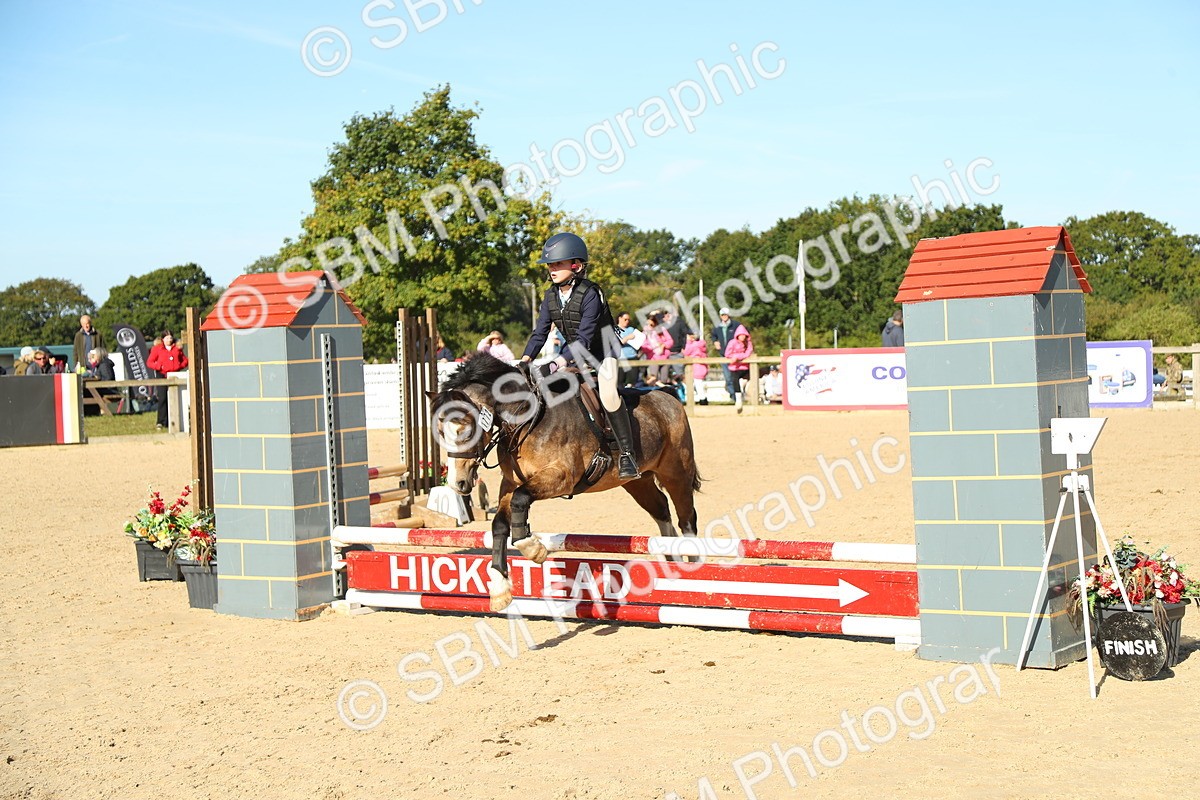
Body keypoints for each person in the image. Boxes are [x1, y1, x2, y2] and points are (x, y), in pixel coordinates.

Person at [520, 231, 640, 479]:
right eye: (550, 264)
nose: (552, 269)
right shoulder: (550, 296)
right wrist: (525, 360)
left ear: (576, 265)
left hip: (603, 352)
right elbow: (540, 332)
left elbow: (584, 339)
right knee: (553, 390)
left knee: (607, 393)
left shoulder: (591, 294)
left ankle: (628, 455)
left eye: (557, 263)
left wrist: (556, 364)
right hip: (574, 354)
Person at [146, 332, 188, 429]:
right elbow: (150, 362)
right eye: (167, 338)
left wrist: (179, 366)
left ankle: (172, 420)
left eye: (170, 338)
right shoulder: (157, 349)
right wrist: (159, 366)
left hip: (174, 375)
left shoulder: (177, 348)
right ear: (163, 339)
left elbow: (185, 360)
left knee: (174, 398)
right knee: (162, 398)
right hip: (162, 375)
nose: (169, 340)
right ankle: (160, 421)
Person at [711, 308, 740, 405]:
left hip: (734, 356)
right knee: (728, 377)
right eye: (722, 315)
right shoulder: (717, 327)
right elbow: (713, 335)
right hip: (723, 355)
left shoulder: (735, 325)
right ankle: (734, 396)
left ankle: (738, 396)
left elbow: (742, 335)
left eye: (725, 314)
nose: (724, 316)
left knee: (734, 377)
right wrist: (715, 341)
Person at [724, 324, 754, 413]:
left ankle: (744, 396)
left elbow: (748, 353)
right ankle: (738, 400)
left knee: (745, 382)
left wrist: (737, 357)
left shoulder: (748, 343)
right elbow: (727, 354)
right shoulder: (732, 342)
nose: (742, 337)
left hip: (745, 367)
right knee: (735, 382)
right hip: (734, 368)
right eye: (741, 335)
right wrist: (735, 357)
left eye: (744, 335)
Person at [640, 313, 674, 383]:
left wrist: (663, 345)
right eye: (647, 324)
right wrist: (653, 347)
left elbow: (670, 341)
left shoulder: (662, 330)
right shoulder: (644, 333)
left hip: (664, 357)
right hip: (653, 358)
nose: (649, 326)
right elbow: (643, 346)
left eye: (651, 325)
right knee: (653, 378)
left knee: (664, 379)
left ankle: (663, 391)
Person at [615, 312, 644, 387]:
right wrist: (627, 338)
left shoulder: (631, 329)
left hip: (632, 357)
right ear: (620, 318)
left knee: (633, 380)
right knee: (620, 380)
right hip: (621, 358)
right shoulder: (615, 330)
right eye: (625, 319)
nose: (627, 321)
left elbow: (640, 341)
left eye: (628, 320)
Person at [682, 331, 709, 405]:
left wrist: (688, 342)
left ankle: (702, 399)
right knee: (698, 383)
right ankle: (702, 398)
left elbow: (687, 352)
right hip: (700, 366)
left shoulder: (693, 345)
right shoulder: (701, 344)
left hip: (696, 366)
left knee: (697, 383)